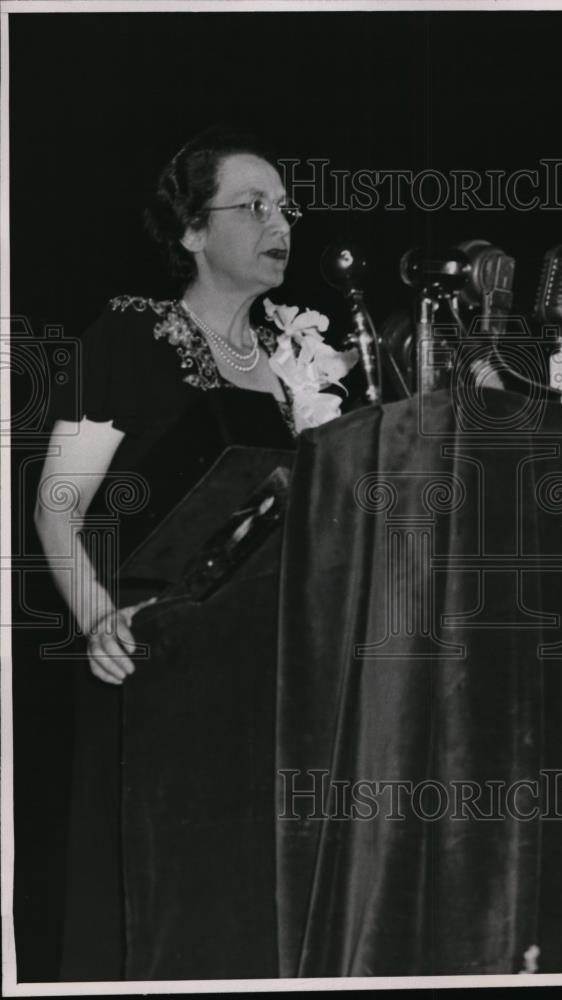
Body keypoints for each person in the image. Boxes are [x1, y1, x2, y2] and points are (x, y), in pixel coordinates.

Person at [34, 126, 351, 980]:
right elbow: (55, 509)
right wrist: (102, 625)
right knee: (149, 898)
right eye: (250, 206)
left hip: (259, 668)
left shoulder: (298, 366)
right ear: (190, 232)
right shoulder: (133, 337)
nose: (277, 221)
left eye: (283, 205)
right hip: (147, 652)